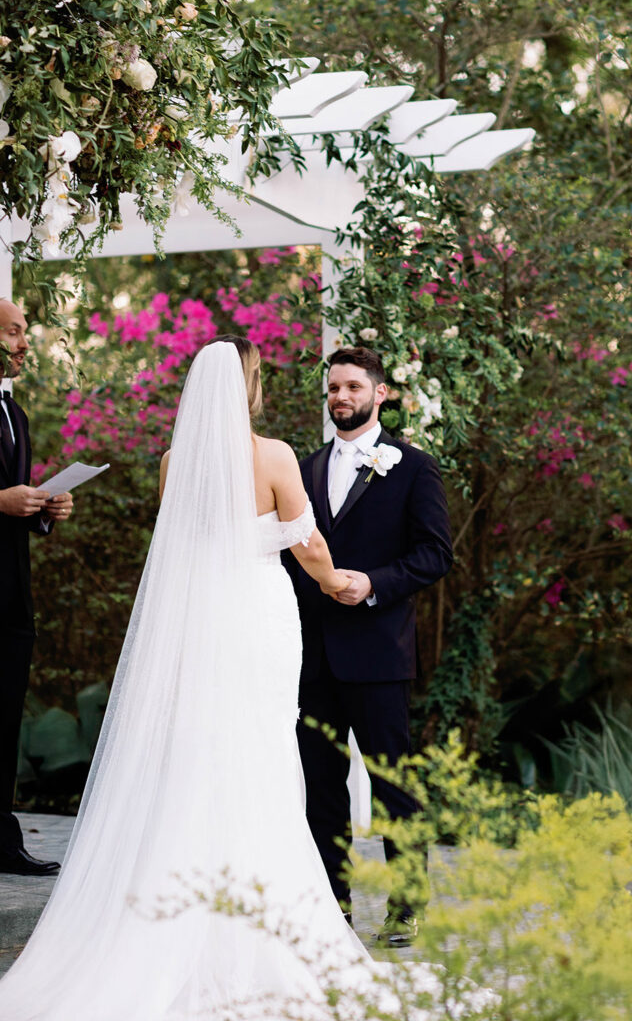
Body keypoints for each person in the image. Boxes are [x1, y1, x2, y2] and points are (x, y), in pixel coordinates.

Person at [0, 337, 398, 1020]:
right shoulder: (271, 454)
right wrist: (336, 582)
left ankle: (177, 898)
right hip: (258, 616)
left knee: (197, 752)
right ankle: (261, 912)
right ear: (247, 387)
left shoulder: (173, 462)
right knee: (262, 752)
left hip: (201, 618)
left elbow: (179, 547)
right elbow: (306, 542)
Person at [288, 346, 453, 946]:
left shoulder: (412, 467)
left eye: (353, 387)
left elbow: (435, 553)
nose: (340, 398)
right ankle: (333, 906)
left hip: (381, 654)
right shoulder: (303, 469)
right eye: (333, 389)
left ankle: (408, 904)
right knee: (320, 785)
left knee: (393, 785)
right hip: (313, 658)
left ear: (379, 393)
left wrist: (374, 584)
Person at [0, 298, 74, 877]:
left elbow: (15, 504)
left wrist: (45, 509)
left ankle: (2, 840)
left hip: (12, 598)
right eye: (15, 332)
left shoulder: (16, 413)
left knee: (5, 719)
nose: (25, 343)